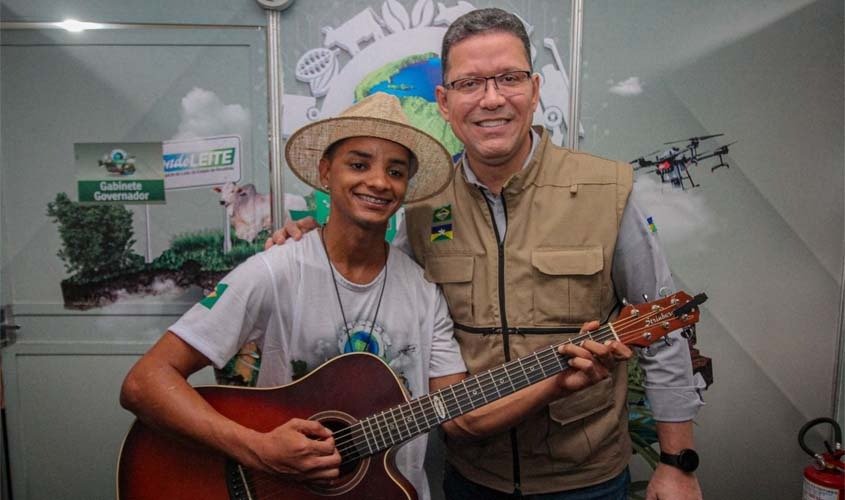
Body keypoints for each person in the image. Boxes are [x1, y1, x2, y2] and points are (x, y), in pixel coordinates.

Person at [267, 8, 705, 500]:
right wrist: (313, 244)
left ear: (535, 90)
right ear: (445, 101)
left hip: (587, 481)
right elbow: (375, 290)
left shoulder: (608, 190)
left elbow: (666, 332)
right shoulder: (421, 207)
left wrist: (676, 464)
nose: (491, 98)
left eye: (509, 78)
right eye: (470, 83)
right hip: (471, 479)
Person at [120, 92, 628, 500]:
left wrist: (556, 381)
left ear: (406, 188)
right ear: (326, 173)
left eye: (395, 171)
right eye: (358, 164)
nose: (378, 182)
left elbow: (462, 417)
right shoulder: (273, 271)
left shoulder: (424, 292)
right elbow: (144, 383)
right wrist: (257, 449)